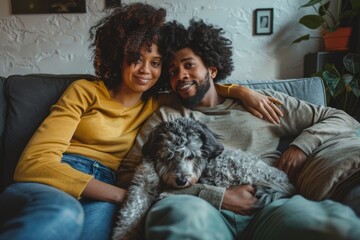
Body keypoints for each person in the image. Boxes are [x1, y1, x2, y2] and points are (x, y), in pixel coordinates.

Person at [0, 3, 284, 240]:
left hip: (105, 189)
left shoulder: (159, 105)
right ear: (117, 58)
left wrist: (239, 90)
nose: (145, 70)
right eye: (135, 58)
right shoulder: (85, 92)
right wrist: (120, 194)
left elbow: (198, 87)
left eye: (156, 62)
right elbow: (33, 164)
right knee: (64, 214)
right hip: (53, 180)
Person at [119, 19, 360, 240]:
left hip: (268, 203)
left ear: (212, 70)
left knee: (330, 224)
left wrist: (301, 147)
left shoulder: (262, 103)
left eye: (189, 65)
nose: (181, 75)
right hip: (197, 205)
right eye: (172, 72)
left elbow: (341, 118)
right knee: (179, 219)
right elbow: (130, 174)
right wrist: (214, 195)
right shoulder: (167, 118)